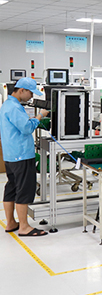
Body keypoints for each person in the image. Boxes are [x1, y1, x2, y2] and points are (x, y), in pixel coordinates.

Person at [1, 77, 50, 237]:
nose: (31, 97)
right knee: (24, 189)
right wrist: (40, 115)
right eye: (30, 93)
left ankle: (11, 222)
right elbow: (27, 128)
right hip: (22, 154)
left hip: (11, 155)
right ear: (22, 90)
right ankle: (24, 227)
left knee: (12, 187)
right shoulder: (15, 107)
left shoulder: (7, 105)